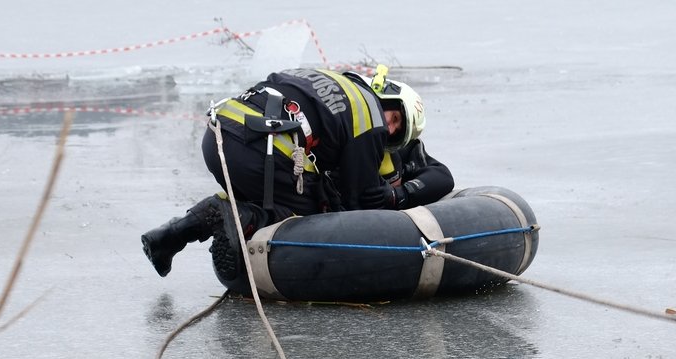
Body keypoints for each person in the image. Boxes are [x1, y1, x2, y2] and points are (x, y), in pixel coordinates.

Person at [141, 65, 448, 277]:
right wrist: (396, 196)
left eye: (395, 129)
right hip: (264, 149)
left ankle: (170, 236)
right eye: (394, 116)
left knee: (273, 198)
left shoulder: (326, 80)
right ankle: (233, 217)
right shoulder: (369, 119)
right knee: (313, 216)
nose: (388, 126)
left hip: (218, 138)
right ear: (386, 95)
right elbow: (362, 206)